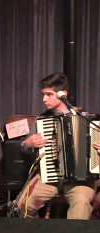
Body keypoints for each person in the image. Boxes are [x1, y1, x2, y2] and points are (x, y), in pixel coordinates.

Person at [20, 72, 100, 220]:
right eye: (43, 94)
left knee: (81, 204)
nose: (44, 99)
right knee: (23, 204)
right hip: (49, 177)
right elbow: (23, 146)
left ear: (63, 94)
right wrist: (27, 143)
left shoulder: (86, 119)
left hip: (80, 180)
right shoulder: (42, 120)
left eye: (49, 94)